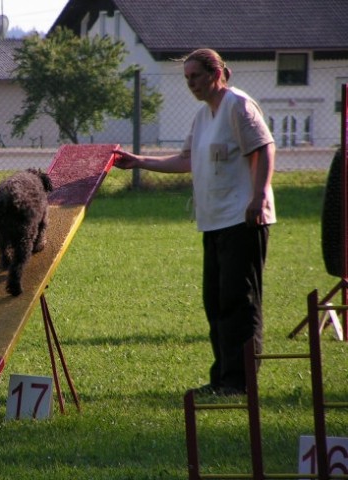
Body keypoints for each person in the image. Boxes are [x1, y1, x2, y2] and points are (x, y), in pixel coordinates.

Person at [113, 48, 276, 396]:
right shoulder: (204, 116)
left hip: (244, 219)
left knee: (238, 302)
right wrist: (138, 161)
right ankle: (222, 378)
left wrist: (259, 196)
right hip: (214, 222)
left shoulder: (238, 105)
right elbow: (186, 159)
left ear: (216, 73)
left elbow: (264, 148)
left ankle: (240, 382)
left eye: (196, 76)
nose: (191, 83)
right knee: (215, 303)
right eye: (187, 78)